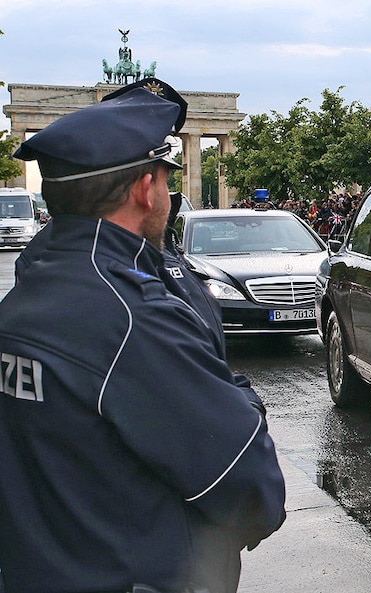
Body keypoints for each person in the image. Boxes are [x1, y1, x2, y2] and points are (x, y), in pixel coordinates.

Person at [0, 80, 286, 593]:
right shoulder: (126, 312)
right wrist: (244, 401)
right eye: (165, 177)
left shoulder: (30, 289)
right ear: (144, 188)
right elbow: (247, 478)